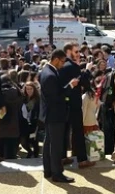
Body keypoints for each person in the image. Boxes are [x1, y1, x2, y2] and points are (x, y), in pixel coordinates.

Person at [40, 49, 78, 183]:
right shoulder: (50, 75)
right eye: (62, 62)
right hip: (55, 114)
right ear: (56, 59)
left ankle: (48, 170)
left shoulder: (47, 71)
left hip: (50, 114)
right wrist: (70, 87)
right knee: (55, 145)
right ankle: (57, 173)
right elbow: (57, 97)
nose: (63, 65)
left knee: (49, 142)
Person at [59, 42, 95, 169]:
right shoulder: (72, 66)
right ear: (68, 52)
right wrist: (88, 70)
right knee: (78, 131)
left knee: (65, 131)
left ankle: (63, 157)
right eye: (76, 51)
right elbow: (83, 83)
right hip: (73, 103)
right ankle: (82, 160)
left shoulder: (63, 65)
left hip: (64, 103)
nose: (78, 54)